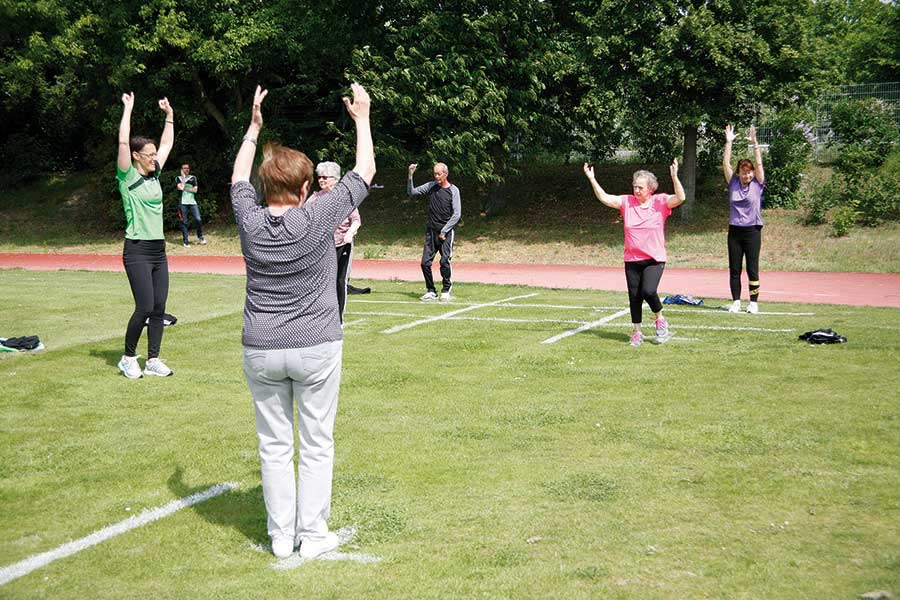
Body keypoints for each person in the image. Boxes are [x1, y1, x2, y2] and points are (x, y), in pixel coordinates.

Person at [231, 83, 374, 560]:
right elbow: (366, 171)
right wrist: (361, 118)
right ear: (306, 186)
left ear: (266, 185)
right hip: (316, 344)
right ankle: (312, 536)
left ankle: (279, 536)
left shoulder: (250, 220)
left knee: (274, 446)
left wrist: (253, 129)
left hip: (261, 345)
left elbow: (236, 180)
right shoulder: (316, 216)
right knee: (316, 444)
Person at [583, 160, 686, 346]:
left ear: (650, 189)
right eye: (634, 186)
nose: (636, 190)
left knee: (648, 290)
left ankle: (660, 319)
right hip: (632, 258)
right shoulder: (627, 202)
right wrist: (592, 179)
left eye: (640, 187)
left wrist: (674, 176)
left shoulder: (661, 202)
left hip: (654, 258)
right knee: (634, 296)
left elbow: (680, 198)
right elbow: (605, 198)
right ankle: (637, 332)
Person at [115, 91, 176, 378]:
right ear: (137, 156)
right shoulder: (127, 176)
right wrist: (128, 109)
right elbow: (123, 141)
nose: (154, 158)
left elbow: (166, 143)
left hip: (158, 250)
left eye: (154, 155)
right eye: (149, 155)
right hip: (137, 248)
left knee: (160, 307)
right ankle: (128, 358)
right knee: (144, 306)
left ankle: (153, 360)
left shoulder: (155, 174)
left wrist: (170, 117)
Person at [306, 161, 366, 323]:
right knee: (322, 281)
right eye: (319, 177)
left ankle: (338, 319)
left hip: (342, 244)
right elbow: (305, 216)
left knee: (340, 281)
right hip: (323, 246)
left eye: (325, 177)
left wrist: (350, 234)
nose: (321, 180)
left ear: (335, 179)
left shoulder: (345, 198)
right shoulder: (315, 197)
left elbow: (356, 221)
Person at [722, 125, 765, 314]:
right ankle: (736, 301)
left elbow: (760, 165)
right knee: (734, 269)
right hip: (735, 231)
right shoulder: (733, 183)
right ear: (739, 172)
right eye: (744, 171)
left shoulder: (758, 183)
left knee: (752, 268)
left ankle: (753, 303)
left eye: (749, 172)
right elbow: (726, 164)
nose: (747, 174)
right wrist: (728, 142)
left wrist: (755, 145)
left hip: (753, 231)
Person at [407, 162, 461, 301]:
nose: (436, 176)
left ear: (446, 174)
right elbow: (412, 192)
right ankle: (431, 290)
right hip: (431, 231)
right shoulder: (431, 186)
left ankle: (446, 289)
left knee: (444, 261)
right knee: (425, 263)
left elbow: (456, 215)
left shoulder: (453, 190)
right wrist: (410, 175)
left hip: (446, 233)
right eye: (435, 174)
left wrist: (444, 231)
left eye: (439, 174)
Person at [176, 163, 206, 247]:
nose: (186, 169)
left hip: (192, 202)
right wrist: (183, 179)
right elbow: (181, 188)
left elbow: (195, 190)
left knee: (198, 219)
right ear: (181, 169)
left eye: (188, 168)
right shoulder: (178, 178)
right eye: (184, 168)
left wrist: (185, 187)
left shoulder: (193, 178)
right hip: (183, 203)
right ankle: (186, 241)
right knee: (184, 222)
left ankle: (200, 237)